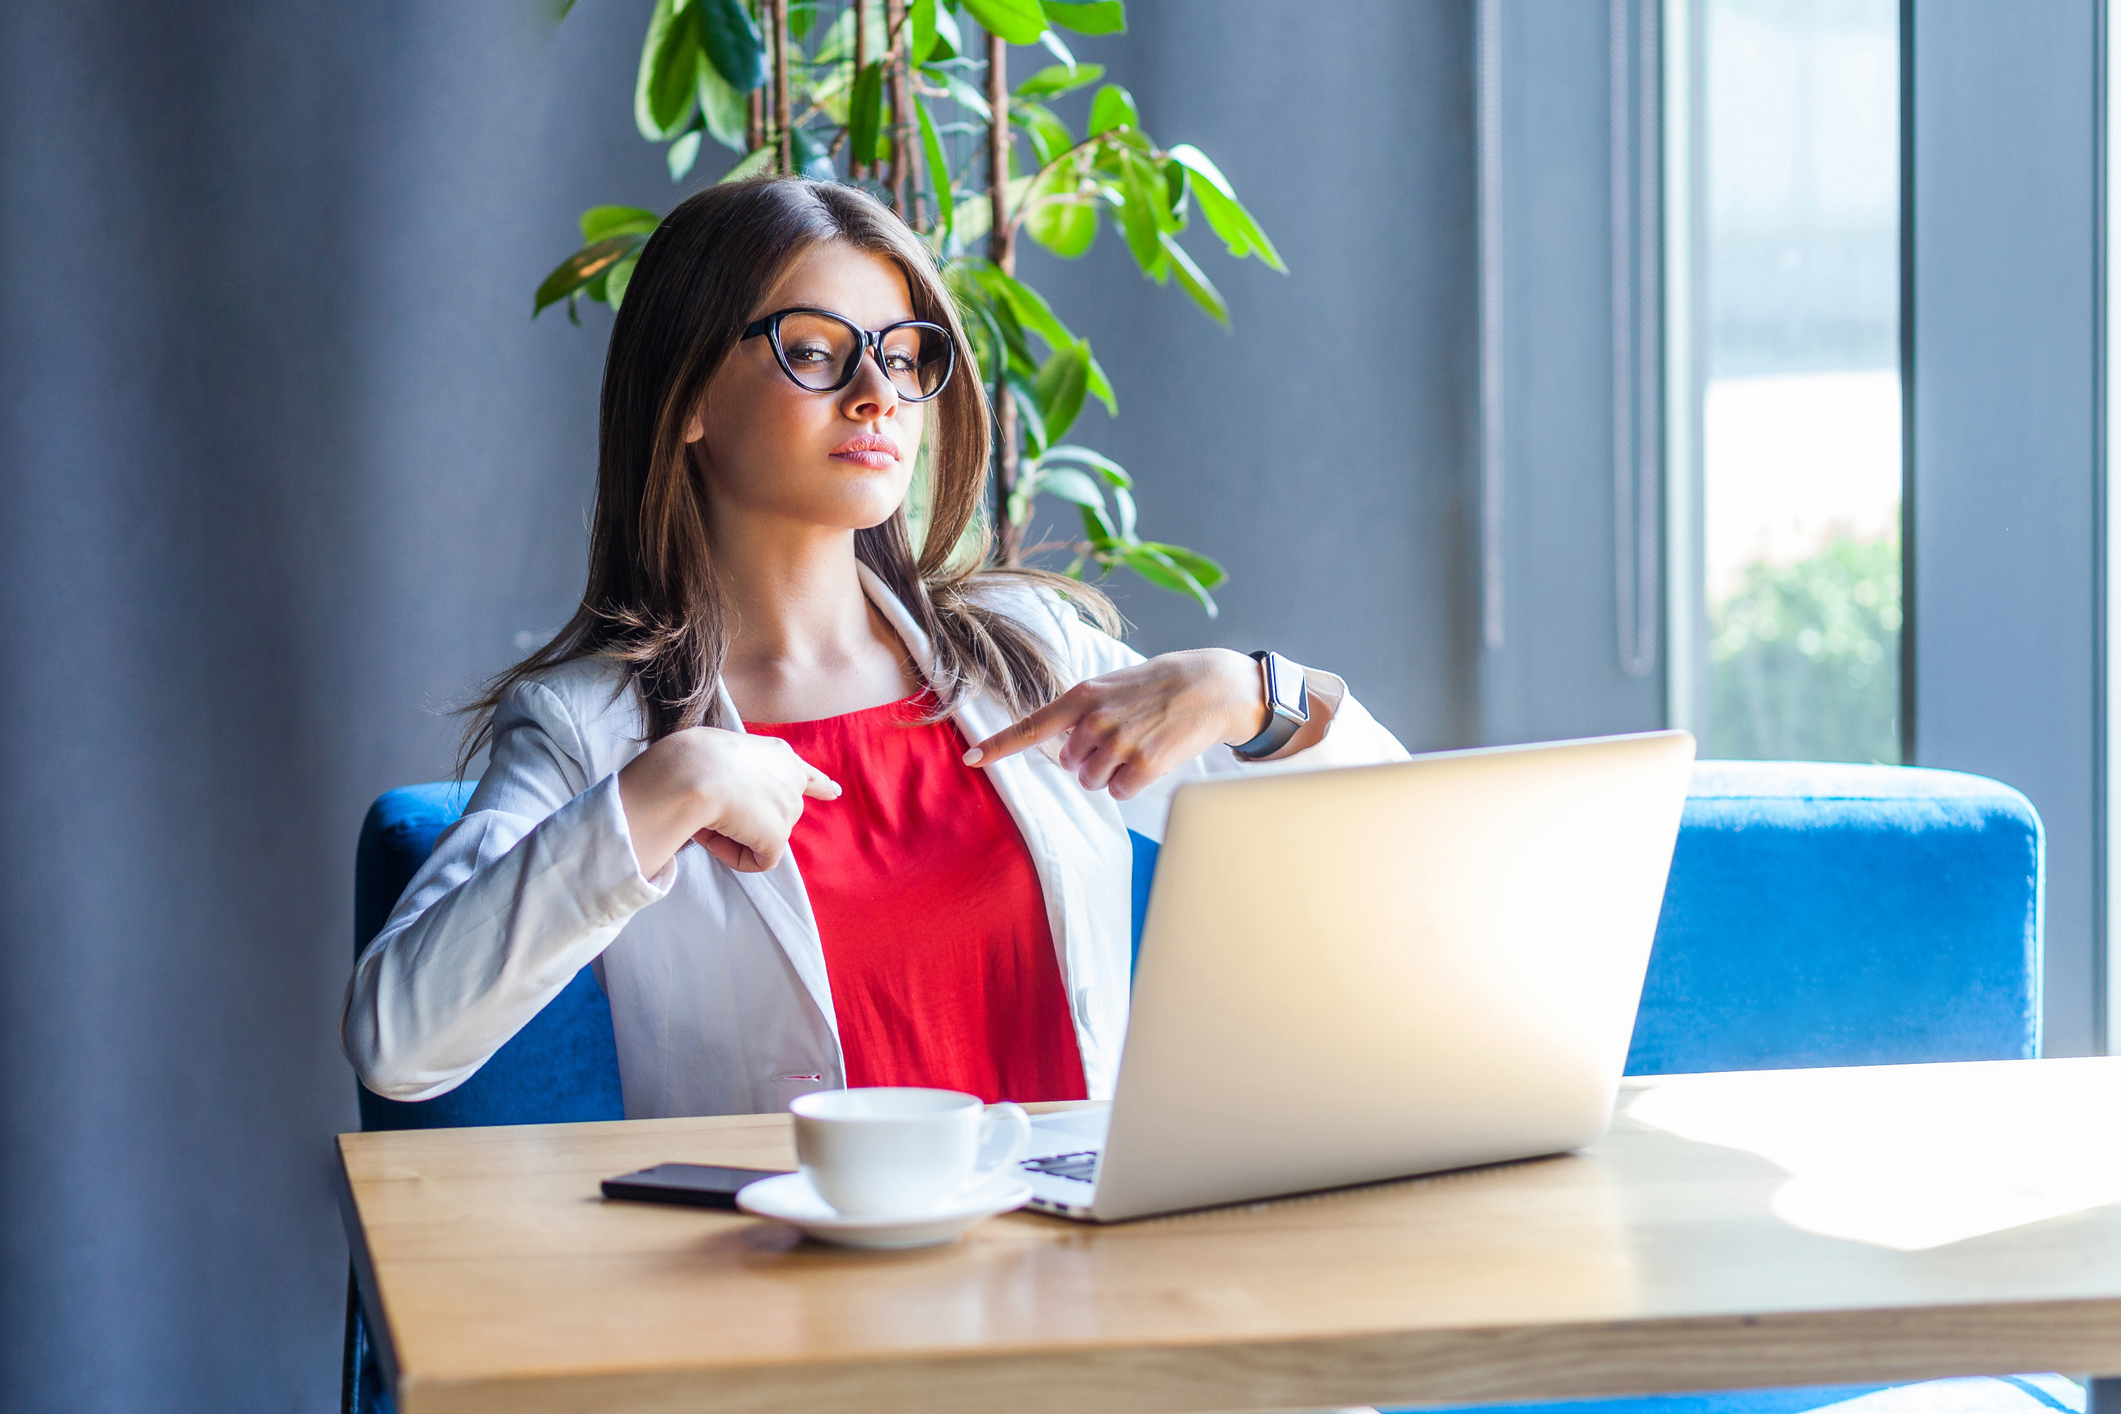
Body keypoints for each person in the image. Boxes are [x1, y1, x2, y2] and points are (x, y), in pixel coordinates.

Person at [342, 177, 1410, 1120]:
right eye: (814, 351)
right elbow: (399, 1043)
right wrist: (674, 783)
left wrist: (1255, 694)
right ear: (689, 400)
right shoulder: (594, 726)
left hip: (1084, 1290)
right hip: (795, 1311)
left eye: (905, 358)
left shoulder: (1029, 657)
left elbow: (1396, 859)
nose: (878, 395)